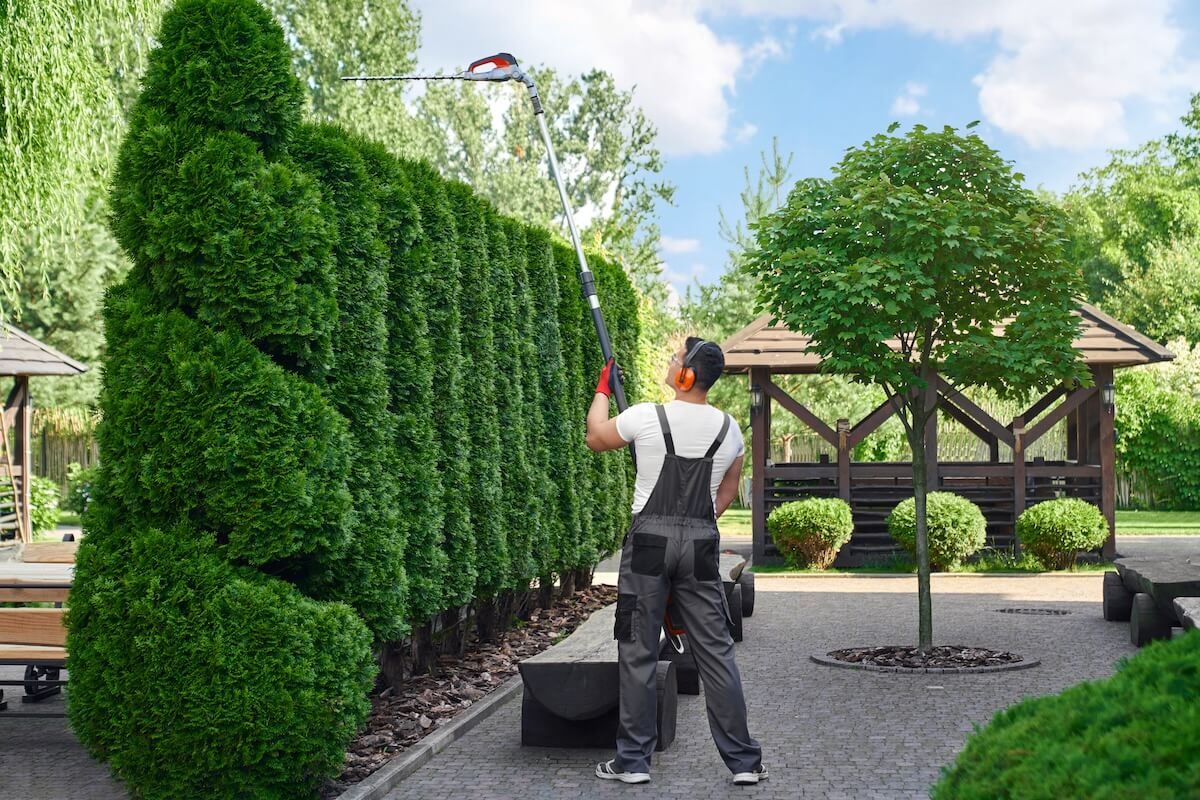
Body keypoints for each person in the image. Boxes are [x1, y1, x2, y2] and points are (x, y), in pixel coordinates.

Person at [585, 337, 767, 786]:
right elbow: (726, 493)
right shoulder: (730, 429)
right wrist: (697, 523)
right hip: (702, 545)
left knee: (638, 649)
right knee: (716, 652)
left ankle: (633, 762)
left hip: (648, 545)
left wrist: (603, 390)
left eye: (674, 359)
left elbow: (594, 437)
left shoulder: (646, 416)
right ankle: (744, 763)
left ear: (685, 375)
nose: (669, 362)